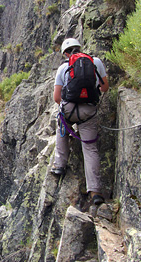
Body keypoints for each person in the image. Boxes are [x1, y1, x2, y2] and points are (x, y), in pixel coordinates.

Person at [51, 38, 109, 205]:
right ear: (80, 49)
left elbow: (57, 98)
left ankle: (59, 165)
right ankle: (95, 192)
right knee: (90, 148)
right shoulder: (96, 62)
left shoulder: (63, 67)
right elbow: (105, 88)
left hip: (69, 110)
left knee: (61, 127)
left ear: (66, 53)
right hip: (89, 111)